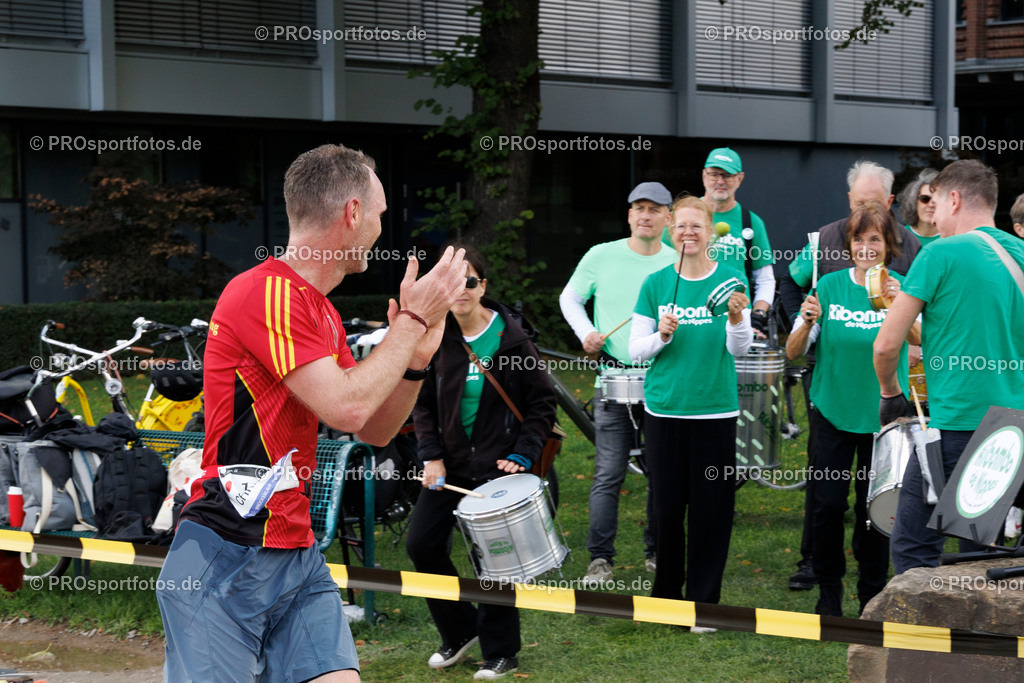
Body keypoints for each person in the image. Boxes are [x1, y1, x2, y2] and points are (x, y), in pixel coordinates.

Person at [157, 144, 468, 682]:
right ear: (352, 213)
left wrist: (415, 360)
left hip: (294, 551)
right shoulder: (266, 292)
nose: (380, 227)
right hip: (224, 552)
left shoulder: (318, 308)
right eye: (378, 214)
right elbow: (347, 407)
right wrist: (413, 320)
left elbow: (373, 427)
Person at [408, 247, 557, 680]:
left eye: (469, 281)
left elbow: (542, 403)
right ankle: (459, 631)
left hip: (499, 467)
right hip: (449, 468)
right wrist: (431, 456)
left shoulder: (513, 339)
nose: (462, 290)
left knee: (493, 560)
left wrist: (523, 454)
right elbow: (422, 405)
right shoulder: (435, 338)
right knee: (422, 546)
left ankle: (501, 651)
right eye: (453, 282)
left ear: (483, 286)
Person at [778, 160, 922, 592]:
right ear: (849, 244)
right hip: (833, 410)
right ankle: (828, 590)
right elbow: (792, 352)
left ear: (887, 245)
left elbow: (922, 340)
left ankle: (871, 591)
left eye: (874, 240)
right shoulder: (830, 286)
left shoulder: (901, 289)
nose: (865, 248)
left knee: (874, 507)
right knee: (826, 504)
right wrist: (803, 321)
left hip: (883, 413)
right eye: (858, 240)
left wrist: (902, 306)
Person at [874, 159, 1024, 573]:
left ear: (954, 199)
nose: (934, 217)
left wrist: (890, 395)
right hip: (1017, 425)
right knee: (983, 547)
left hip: (960, 424)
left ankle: (920, 639)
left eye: (935, 204)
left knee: (914, 549)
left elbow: (886, 345)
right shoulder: (1022, 252)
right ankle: (987, 636)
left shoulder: (939, 253)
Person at [630, 194, 753, 628]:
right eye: (680, 226)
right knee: (667, 509)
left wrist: (737, 319)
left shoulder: (732, 279)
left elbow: (740, 348)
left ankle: (704, 605)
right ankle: (666, 600)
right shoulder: (656, 284)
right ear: (669, 230)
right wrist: (661, 335)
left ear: (709, 231)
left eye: (696, 226)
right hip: (664, 411)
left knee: (710, 511)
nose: (688, 233)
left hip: (714, 411)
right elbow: (635, 350)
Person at [560, 182, 678, 586]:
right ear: (629, 215)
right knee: (609, 473)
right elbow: (570, 298)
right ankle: (600, 559)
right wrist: (586, 333)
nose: (645, 215)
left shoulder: (678, 261)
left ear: (668, 218)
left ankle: (657, 551)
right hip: (613, 379)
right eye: (638, 208)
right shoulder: (601, 255)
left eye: (654, 209)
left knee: (661, 471)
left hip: (664, 381)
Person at [665, 147, 775, 337]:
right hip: (687, 314)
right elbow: (661, 265)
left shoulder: (751, 222)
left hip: (735, 316)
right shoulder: (680, 216)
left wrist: (757, 314)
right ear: (703, 176)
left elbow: (765, 279)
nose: (720, 181)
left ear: (739, 179)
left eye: (727, 175)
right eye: (714, 175)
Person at [897, 168, 940, 248]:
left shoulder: (951, 238)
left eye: (935, 200)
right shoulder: (898, 237)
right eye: (925, 199)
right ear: (914, 202)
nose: (930, 205)